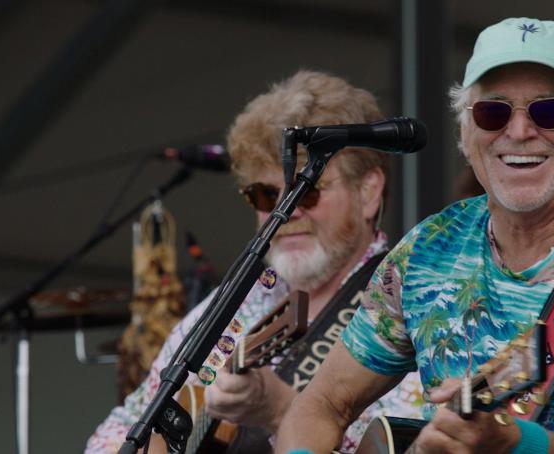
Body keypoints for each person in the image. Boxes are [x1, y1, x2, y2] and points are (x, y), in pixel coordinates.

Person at [276, 17, 554, 454]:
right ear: (465, 131)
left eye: (548, 110)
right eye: (492, 111)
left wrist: (515, 443)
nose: (518, 132)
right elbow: (320, 403)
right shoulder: (430, 247)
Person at [85, 70, 425, 453]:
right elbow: (123, 425)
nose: (287, 210)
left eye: (306, 192)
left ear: (368, 191)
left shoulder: (411, 301)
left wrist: (282, 412)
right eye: (265, 195)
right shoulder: (237, 303)